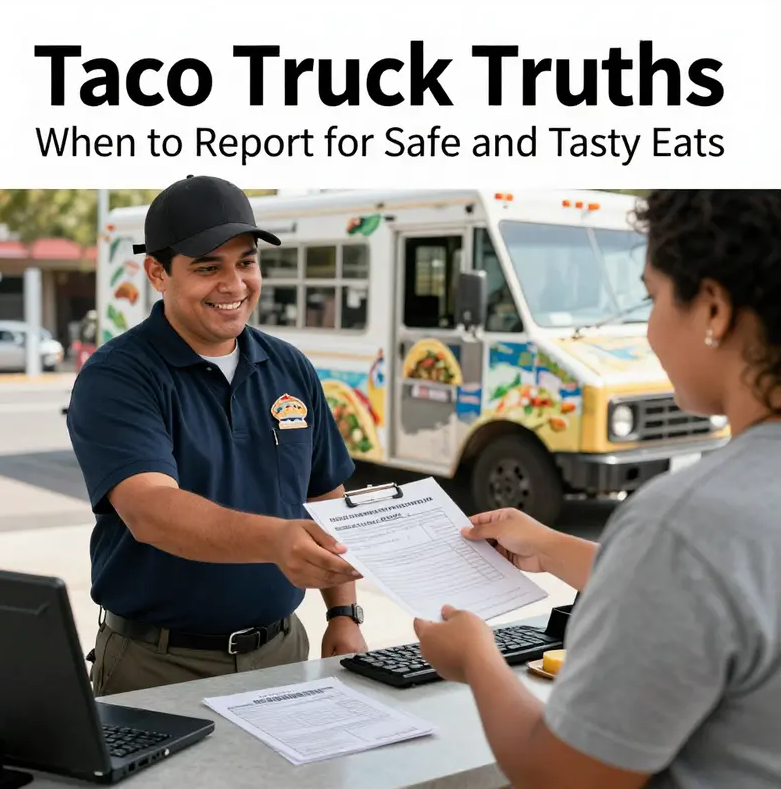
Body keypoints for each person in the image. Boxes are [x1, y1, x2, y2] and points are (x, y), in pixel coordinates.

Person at [414, 190, 781, 788]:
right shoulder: (697, 531)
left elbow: (565, 775)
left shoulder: (685, 520)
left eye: (652, 297)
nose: (651, 331)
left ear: (713, 309)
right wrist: (554, 549)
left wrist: (477, 659)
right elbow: (733, 590)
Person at [67, 175, 368, 697]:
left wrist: (344, 613)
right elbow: (151, 511)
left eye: (245, 262)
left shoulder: (288, 366)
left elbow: (325, 497)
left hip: (283, 651)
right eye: (209, 267)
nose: (234, 285)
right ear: (158, 273)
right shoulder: (118, 375)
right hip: (158, 664)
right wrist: (275, 541)